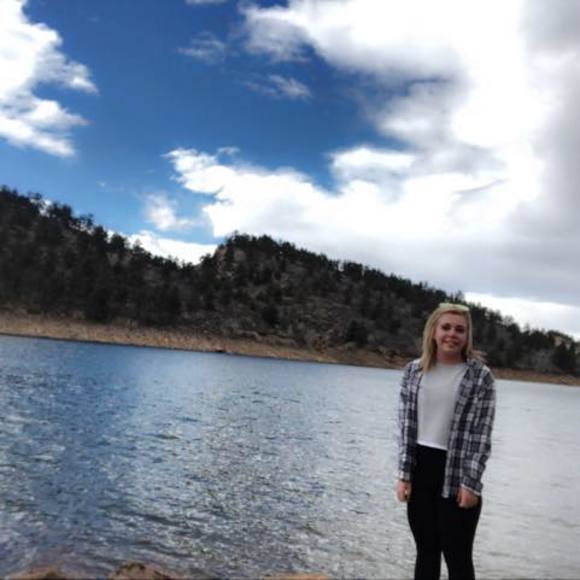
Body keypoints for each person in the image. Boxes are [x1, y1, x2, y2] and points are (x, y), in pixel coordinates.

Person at [396, 303, 496, 580]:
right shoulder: (413, 371)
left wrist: (470, 483)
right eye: (446, 327)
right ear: (433, 331)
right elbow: (405, 429)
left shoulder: (480, 377)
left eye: (460, 330)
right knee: (426, 551)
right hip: (420, 470)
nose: (452, 334)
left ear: (467, 336)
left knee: (457, 556)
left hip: (457, 474)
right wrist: (404, 475)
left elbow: (481, 435)